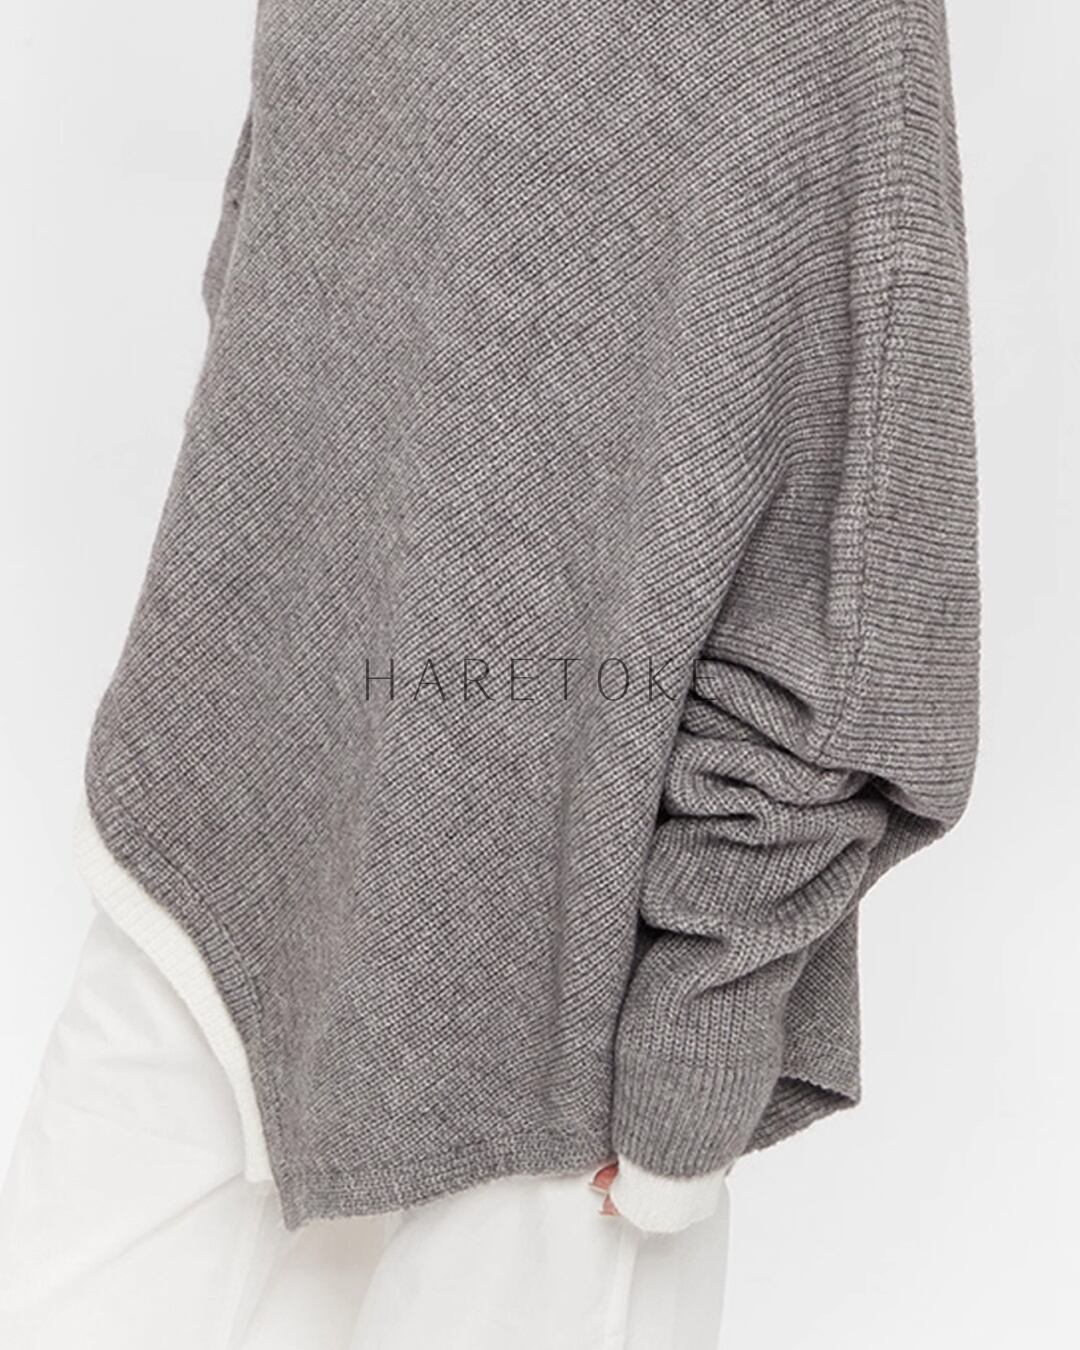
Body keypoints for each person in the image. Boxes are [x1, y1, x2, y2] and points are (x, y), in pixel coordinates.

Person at [0, 1, 978, 1345]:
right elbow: (273, 269)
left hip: (557, 986)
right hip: (225, 829)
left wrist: (699, 1022)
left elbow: (861, 560)